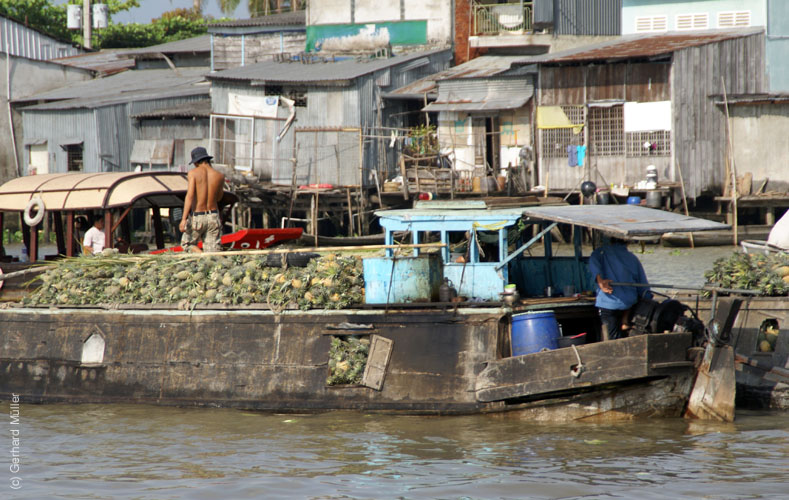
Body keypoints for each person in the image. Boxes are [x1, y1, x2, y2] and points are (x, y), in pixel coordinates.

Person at [588, 236, 652, 340]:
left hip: (609, 302)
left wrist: (600, 281)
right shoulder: (632, 258)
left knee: (611, 337)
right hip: (628, 303)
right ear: (627, 242)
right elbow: (644, 288)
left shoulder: (601, 252)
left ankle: (621, 328)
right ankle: (625, 322)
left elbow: (593, 262)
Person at [179, 147, 225, 253]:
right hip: (213, 216)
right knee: (213, 250)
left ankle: (200, 255)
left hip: (198, 216)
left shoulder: (193, 173)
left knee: (187, 244)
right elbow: (219, 198)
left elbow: (189, 196)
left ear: (196, 162)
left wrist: (184, 219)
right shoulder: (219, 176)